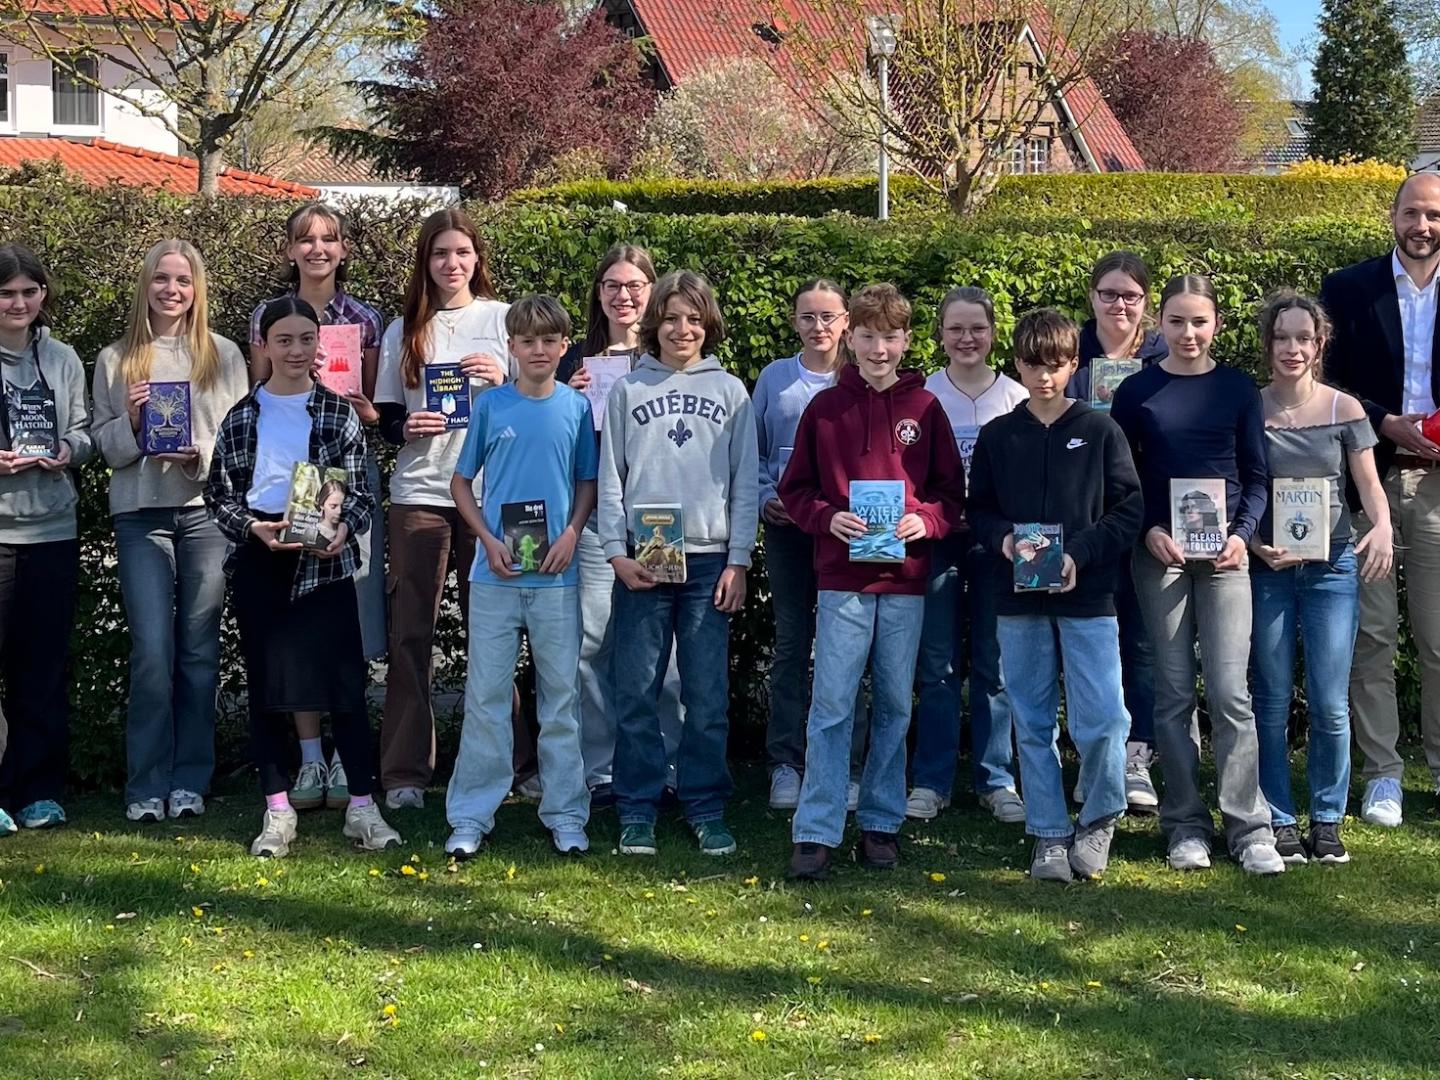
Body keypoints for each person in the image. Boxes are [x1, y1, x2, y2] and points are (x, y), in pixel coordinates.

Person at [781, 283, 966, 881]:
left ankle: (882, 819)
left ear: (907, 341)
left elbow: (950, 496)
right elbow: (796, 490)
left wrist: (927, 520)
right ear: (849, 339)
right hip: (842, 580)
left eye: (890, 337)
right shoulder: (825, 410)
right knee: (832, 703)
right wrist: (826, 517)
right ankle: (816, 827)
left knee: (892, 702)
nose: (879, 348)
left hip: (906, 581)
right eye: (867, 336)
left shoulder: (926, 410)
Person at [206, 296, 400, 858]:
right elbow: (219, 494)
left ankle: (362, 807)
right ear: (263, 346)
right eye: (283, 340)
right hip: (264, 559)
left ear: (320, 345)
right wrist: (252, 529)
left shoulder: (337, 412)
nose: (296, 351)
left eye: (306, 340)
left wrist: (344, 531)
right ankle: (277, 810)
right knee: (270, 689)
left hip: (326, 561)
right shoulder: (244, 414)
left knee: (344, 686)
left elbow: (361, 492)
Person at [1111, 274, 1284, 875]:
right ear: (1159, 323)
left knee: (1233, 693)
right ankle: (1185, 824)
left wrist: (1242, 535)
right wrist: (1147, 531)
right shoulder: (1136, 392)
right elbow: (1121, 482)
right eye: (1178, 321)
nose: (1189, 333)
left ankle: (1249, 826)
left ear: (1216, 325)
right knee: (1174, 692)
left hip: (1226, 560)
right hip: (1159, 556)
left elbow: (1257, 477)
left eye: (1200, 321)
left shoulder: (1238, 389)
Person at [967, 308, 1143, 882]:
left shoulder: (1099, 431)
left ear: (1073, 366)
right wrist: (1004, 541)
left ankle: (1098, 818)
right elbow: (981, 511)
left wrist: (1079, 554)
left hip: (1088, 597)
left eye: (1057, 365)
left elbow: (1129, 508)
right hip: (1017, 600)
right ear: (1016, 364)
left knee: (1103, 720)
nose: (1044, 377)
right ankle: (1047, 830)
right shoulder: (998, 435)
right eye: (1033, 365)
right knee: (1031, 719)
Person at [597, 270, 758, 857]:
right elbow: (610, 477)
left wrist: (738, 559)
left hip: (709, 558)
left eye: (693, 318)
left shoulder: (731, 391)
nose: (681, 329)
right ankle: (636, 806)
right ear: (653, 325)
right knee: (636, 689)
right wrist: (615, 551)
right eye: (670, 318)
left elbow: (745, 484)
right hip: (646, 556)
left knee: (707, 694)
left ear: (707, 324)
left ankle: (704, 804)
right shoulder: (627, 391)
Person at [93, 239, 248, 823]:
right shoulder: (116, 359)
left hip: (205, 515)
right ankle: (144, 786)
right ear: (146, 285)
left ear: (197, 288)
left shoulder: (224, 355)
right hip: (140, 518)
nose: (172, 291)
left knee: (199, 652)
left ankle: (189, 782)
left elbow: (237, 441)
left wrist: (197, 457)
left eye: (183, 280)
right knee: (153, 654)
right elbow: (105, 448)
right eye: (162, 279)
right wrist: (134, 423)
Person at [444, 295, 598, 858]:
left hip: (557, 575)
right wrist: (486, 538)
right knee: (485, 697)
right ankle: (469, 815)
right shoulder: (490, 406)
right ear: (510, 347)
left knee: (560, 698)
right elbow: (463, 482)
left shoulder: (576, 409)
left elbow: (586, 482)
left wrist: (572, 533)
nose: (538, 350)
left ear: (563, 347)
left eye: (548, 341)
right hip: (496, 575)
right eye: (527, 341)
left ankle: (564, 811)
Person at [249, 202, 387, 812]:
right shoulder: (267, 315)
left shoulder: (366, 319)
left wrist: (365, 414)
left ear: (345, 248)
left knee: (338, 627)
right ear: (289, 250)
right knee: (293, 631)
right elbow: (258, 404)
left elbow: (378, 414)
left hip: (340, 484)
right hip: (284, 495)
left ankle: (346, 761)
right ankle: (309, 760)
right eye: (305, 240)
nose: (317, 249)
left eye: (329, 239)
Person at [374, 208, 511, 809]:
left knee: (497, 635)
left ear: (477, 258)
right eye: (439, 254)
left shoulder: (503, 320)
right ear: (424, 263)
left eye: (461, 252)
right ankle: (405, 773)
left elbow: (542, 401)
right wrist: (408, 426)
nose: (451, 264)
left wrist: (506, 377)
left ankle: (510, 765)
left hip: (489, 499)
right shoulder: (406, 329)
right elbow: (385, 417)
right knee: (410, 637)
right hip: (420, 496)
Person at [1249, 290, 1393, 865]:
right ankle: (1279, 819)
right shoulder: (1250, 408)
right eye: (1282, 337)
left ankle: (1327, 819)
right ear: (1268, 344)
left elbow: (1368, 484)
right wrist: (1256, 544)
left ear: (1320, 343)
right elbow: (1241, 489)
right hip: (1270, 571)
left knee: (1332, 702)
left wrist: (1381, 526)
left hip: (1332, 567)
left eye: (1303, 338)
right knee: (1272, 699)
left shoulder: (1345, 409)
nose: (1292, 348)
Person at [1320, 172, 1440, 828]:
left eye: (1434, 216)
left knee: (1438, 635)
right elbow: (1323, 379)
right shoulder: (1348, 288)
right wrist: (1385, 422)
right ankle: (1383, 774)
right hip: (1368, 477)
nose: (1422, 226)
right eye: (1412, 214)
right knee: (1370, 635)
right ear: (1392, 215)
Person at [554, 244, 682, 809]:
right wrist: (567, 400)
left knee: (664, 649)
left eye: (634, 285)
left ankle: (669, 764)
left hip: (658, 520)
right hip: (592, 523)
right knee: (593, 645)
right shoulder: (570, 363)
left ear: (651, 292)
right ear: (598, 293)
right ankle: (601, 769)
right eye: (612, 285)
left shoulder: (674, 356)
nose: (624, 295)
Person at [753, 279, 871, 813]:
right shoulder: (775, 378)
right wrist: (762, 497)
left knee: (849, 648)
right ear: (794, 321)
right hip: (789, 529)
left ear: (846, 321)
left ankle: (847, 764)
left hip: (851, 531)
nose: (819, 327)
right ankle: (787, 763)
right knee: (793, 642)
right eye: (808, 317)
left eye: (828, 317)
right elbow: (749, 454)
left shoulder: (863, 377)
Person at [910, 286, 1026, 824]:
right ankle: (931, 781)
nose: (966, 338)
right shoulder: (922, 396)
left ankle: (995, 778)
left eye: (976, 327)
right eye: (955, 328)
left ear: (993, 332)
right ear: (940, 335)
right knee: (936, 664)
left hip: (997, 545)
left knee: (995, 664)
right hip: (935, 542)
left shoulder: (1017, 397)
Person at [1068, 252, 1169, 811]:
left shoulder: (1164, 359)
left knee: (1141, 641)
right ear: (1092, 298)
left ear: (1146, 303)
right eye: (1109, 294)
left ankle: (1138, 755)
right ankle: (1092, 756)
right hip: (1085, 521)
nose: (1119, 305)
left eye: (1130, 295)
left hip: (1149, 518)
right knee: (1088, 642)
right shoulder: (1070, 356)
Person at [0, 243, 92, 834]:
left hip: (53, 528)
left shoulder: (61, 357)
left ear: (44, 295)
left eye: (29, 292)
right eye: (6, 293)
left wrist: (67, 450)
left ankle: (38, 792)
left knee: (42, 668)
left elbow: (84, 431)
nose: (19, 303)